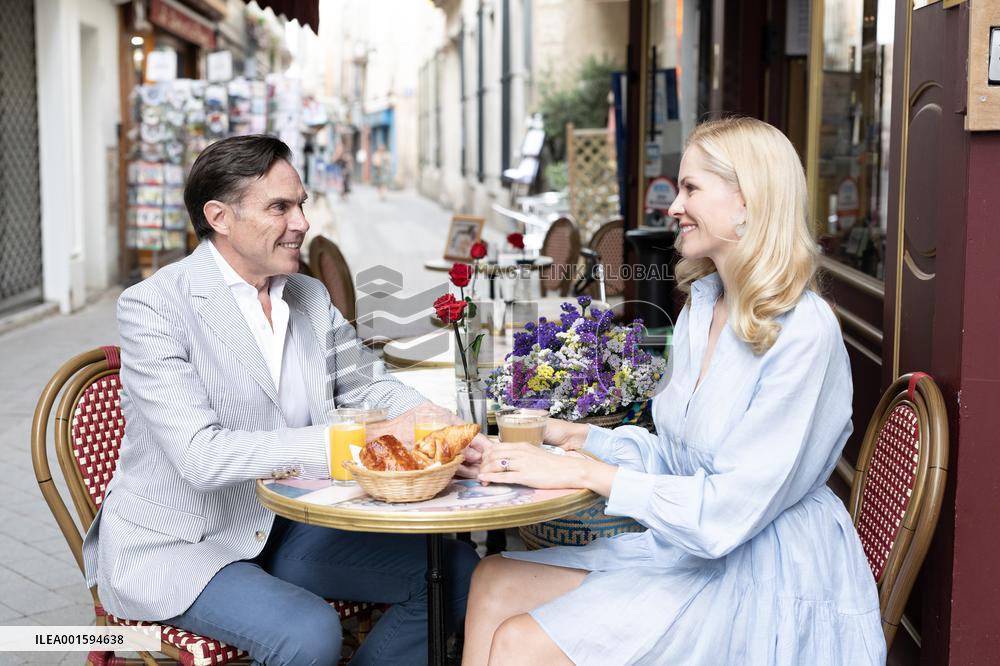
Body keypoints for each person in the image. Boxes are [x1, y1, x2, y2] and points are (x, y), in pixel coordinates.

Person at [464, 117, 884, 665]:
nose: (673, 206)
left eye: (691, 188)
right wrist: (570, 437)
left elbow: (725, 512)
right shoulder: (704, 306)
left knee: (522, 642)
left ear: (748, 201)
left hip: (766, 572)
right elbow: (679, 458)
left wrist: (586, 473)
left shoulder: (804, 331)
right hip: (697, 548)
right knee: (492, 577)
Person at [82, 135, 485, 665]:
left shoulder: (307, 295)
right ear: (219, 217)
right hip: (183, 543)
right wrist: (359, 437)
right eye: (279, 207)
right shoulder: (155, 307)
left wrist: (435, 422)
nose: (301, 222)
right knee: (308, 631)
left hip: (286, 523)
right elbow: (202, 456)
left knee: (459, 574)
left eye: (301, 204)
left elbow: (369, 385)